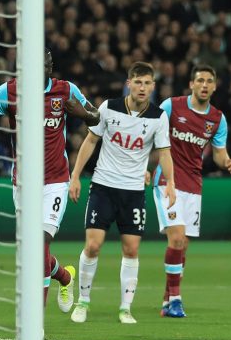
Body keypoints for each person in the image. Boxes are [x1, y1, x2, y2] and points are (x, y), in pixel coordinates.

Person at [0, 50, 99, 314]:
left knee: (40, 243)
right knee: (33, 251)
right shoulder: (9, 92)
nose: (47, 69)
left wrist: (83, 115)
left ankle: (34, 320)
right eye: (41, 64)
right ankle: (64, 276)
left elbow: (97, 117)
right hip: (23, 184)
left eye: (49, 64)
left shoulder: (66, 90)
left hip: (56, 181)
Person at [67, 61, 175, 324]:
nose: (142, 87)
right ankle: (83, 302)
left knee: (131, 249)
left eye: (147, 83)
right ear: (129, 84)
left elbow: (164, 152)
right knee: (92, 246)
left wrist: (170, 182)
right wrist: (75, 176)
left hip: (134, 191)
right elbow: (91, 140)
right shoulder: (109, 107)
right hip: (103, 186)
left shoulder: (158, 117)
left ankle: (125, 308)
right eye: (138, 82)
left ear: (152, 86)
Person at [153, 64, 231, 318]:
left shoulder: (217, 119)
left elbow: (220, 154)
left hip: (194, 184)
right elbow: (151, 131)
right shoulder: (171, 106)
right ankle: (177, 300)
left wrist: (228, 162)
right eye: (199, 80)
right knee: (177, 238)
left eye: (208, 81)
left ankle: (167, 300)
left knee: (183, 245)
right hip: (167, 182)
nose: (204, 84)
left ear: (214, 86)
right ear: (191, 84)